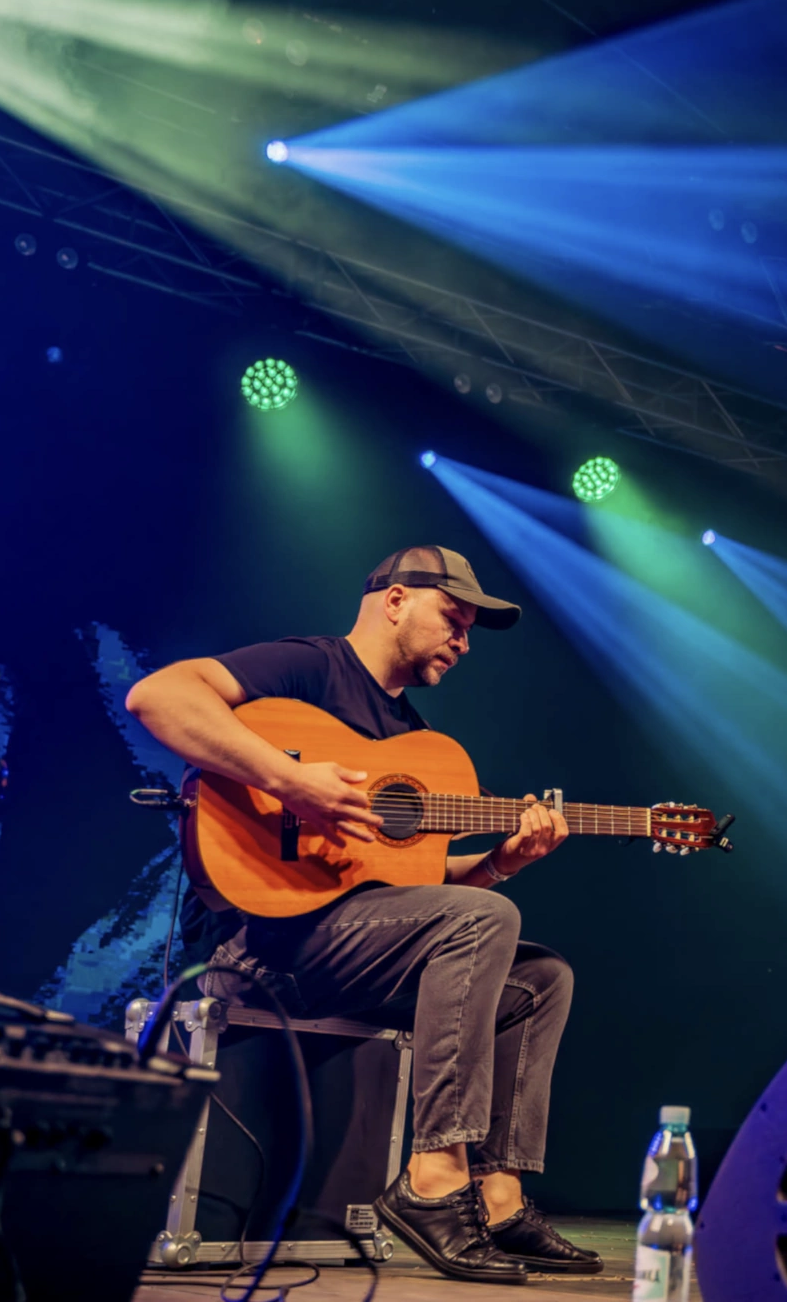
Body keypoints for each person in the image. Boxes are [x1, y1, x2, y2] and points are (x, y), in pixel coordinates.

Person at [127, 545, 597, 1286]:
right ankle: (434, 1178)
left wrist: (504, 861)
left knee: (539, 977)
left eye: (470, 629)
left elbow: (413, 882)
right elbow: (155, 696)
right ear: (396, 599)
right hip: (260, 944)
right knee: (483, 918)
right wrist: (290, 779)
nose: (464, 640)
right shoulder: (311, 668)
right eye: (454, 617)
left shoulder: (413, 735)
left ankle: (499, 1197)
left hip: (345, 949)